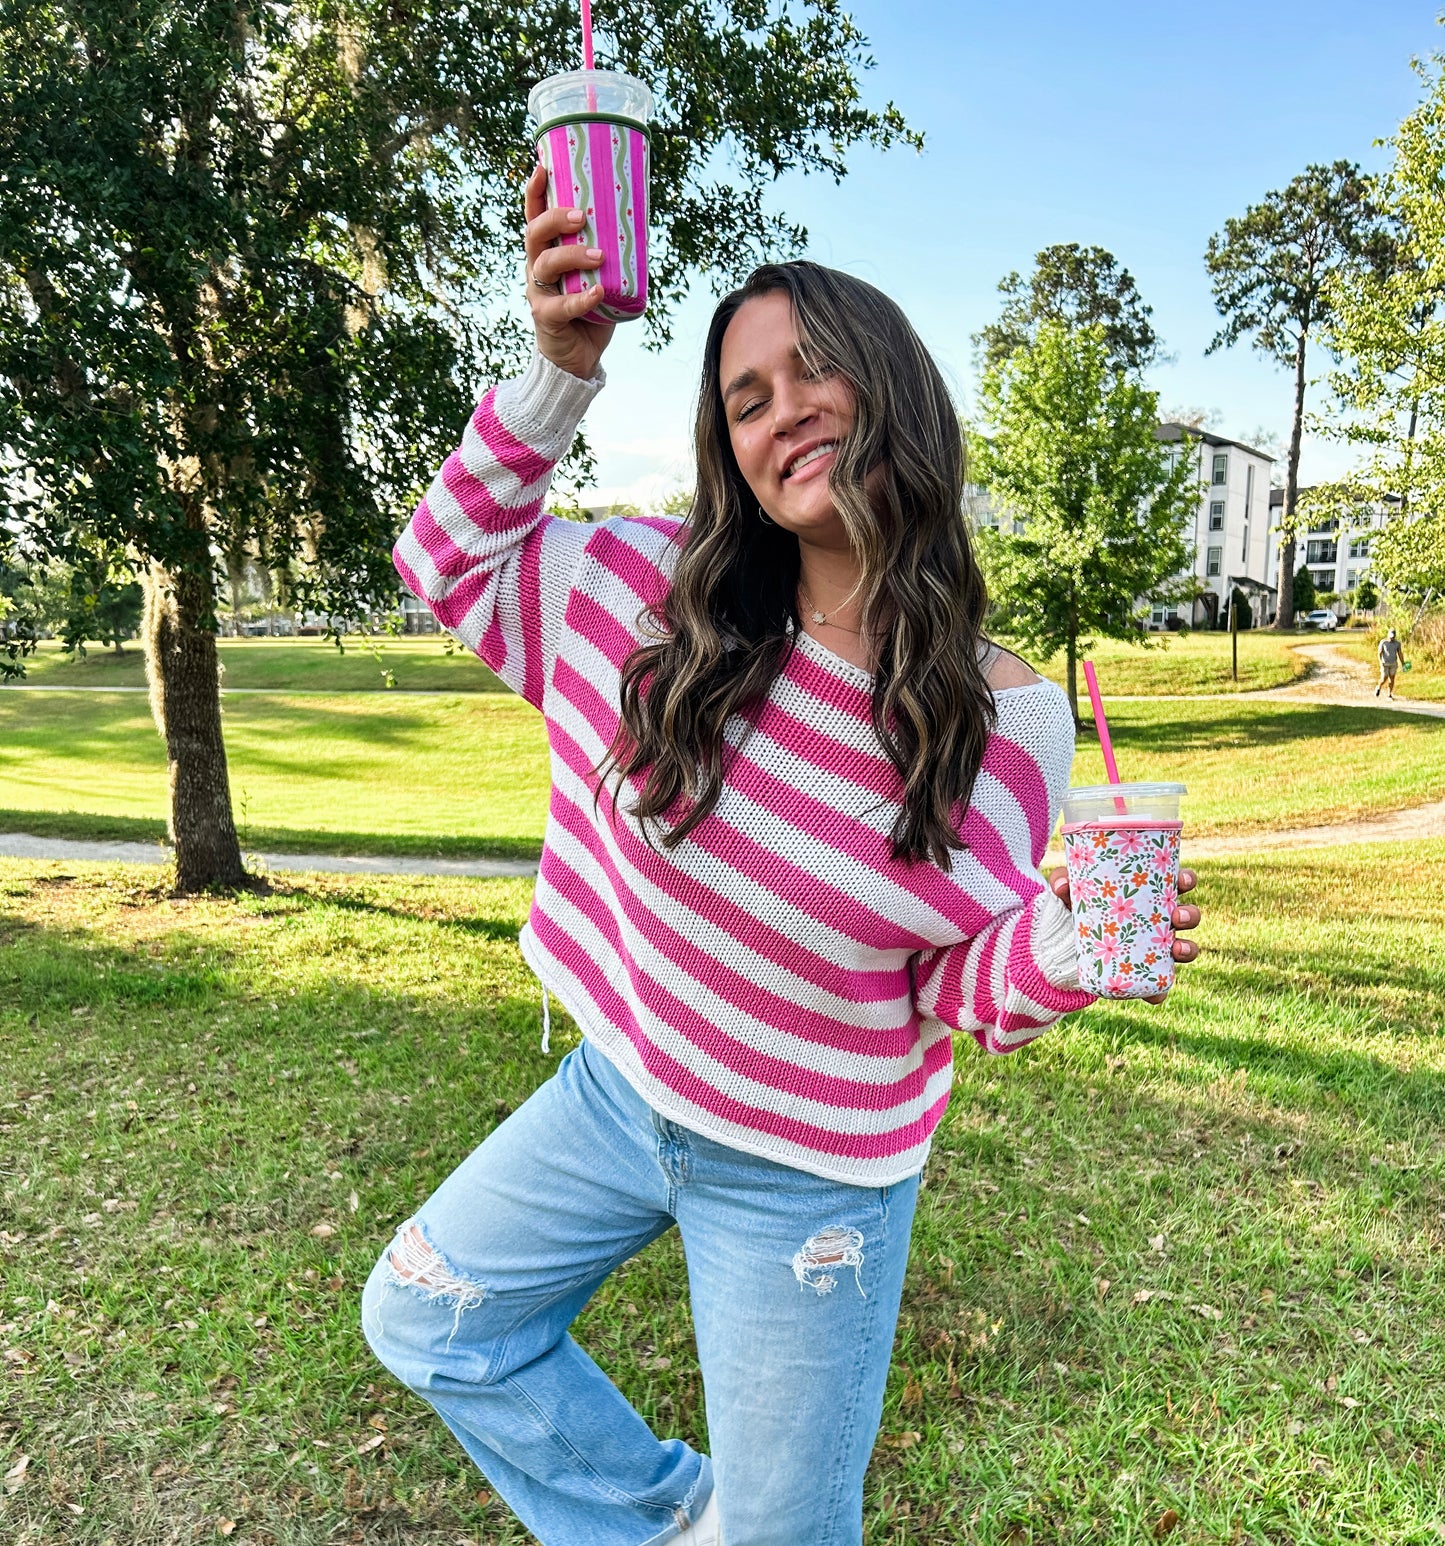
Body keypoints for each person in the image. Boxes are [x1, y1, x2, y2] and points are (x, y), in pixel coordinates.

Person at [360, 166, 1203, 1546]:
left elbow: (949, 983)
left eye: (814, 371)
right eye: (746, 399)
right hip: (617, 1093)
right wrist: (558, 374)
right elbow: (448, 559)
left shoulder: (1014, 719)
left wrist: (1068, 944)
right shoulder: (648, 596)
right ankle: (684, 1519)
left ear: (892, 387)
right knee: (428, 1314)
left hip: (811, 1171)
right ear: (728, 452)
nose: (783, 409)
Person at [1376, 627, 1407, 699]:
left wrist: (1403, 663)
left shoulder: (1397, 643)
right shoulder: (1383, 642)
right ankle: (1379, 687)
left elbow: (1400, 653)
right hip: (1384, 663)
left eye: (1393, 637)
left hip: (1393, 663)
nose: (1391, 638)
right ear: (1388, 635)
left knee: (1392, 678)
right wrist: (1380, 662)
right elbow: (1379, 653)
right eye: (1390, 637)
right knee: (1384, 678)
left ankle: (1389, 694)